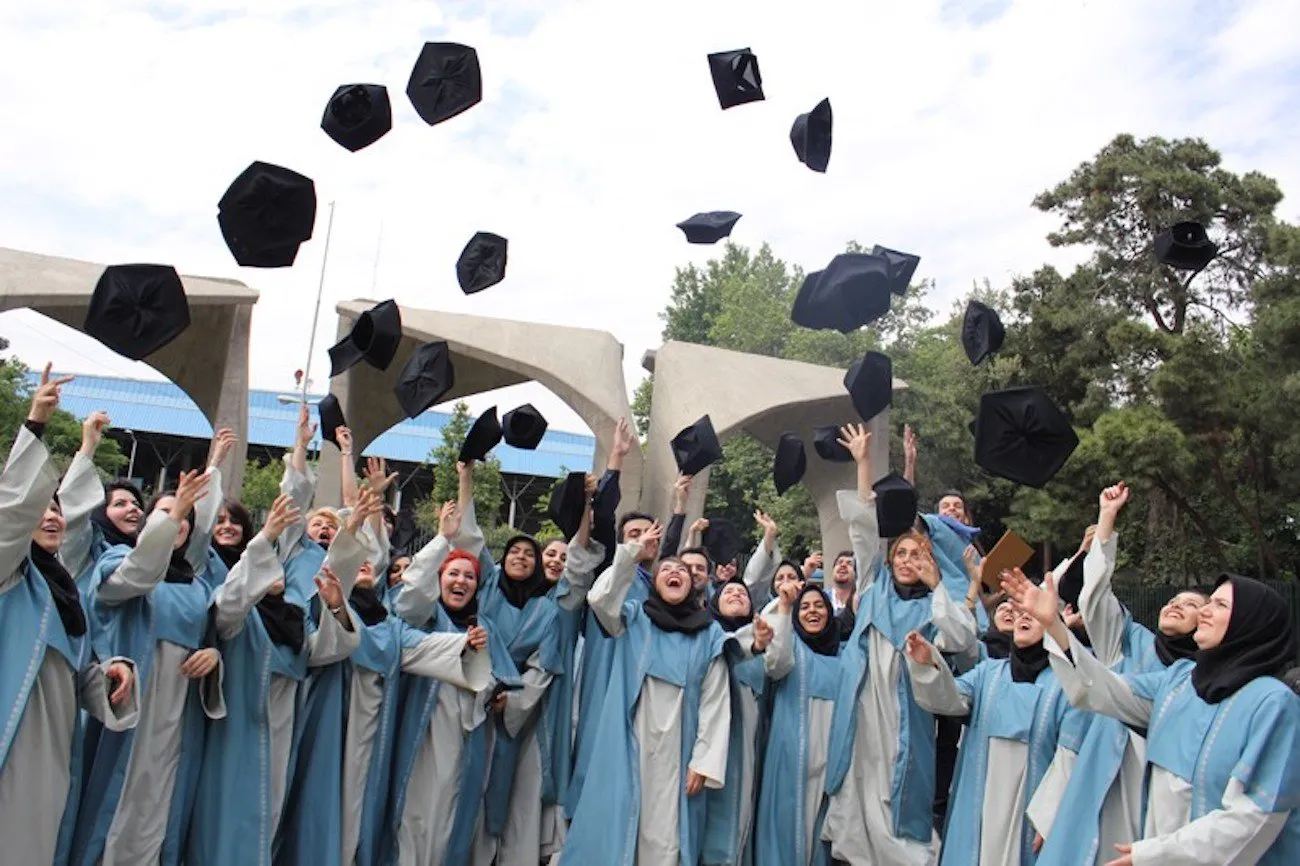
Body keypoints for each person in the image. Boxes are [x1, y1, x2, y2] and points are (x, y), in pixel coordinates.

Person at [1006, 567, 1300, 865]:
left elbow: (1255, 817)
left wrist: (1158, 854)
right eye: (1208, 602)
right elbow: (1104, 690)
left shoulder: (1273, 703)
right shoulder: (1180, 681)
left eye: (1220, 605)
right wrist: (1054, 626)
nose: (1206, 612)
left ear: (1249, 623)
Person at [0, 365, 138, 866]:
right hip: (13, 745)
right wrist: (36, 421)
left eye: (58, 508)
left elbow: (72, 672)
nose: (53, 515)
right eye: (45, 508)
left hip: (54, 751)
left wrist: (108, 675)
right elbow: (12, 511)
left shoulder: (58, 590)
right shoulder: (10, 575)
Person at [821, 423, 978, 865]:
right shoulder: (872, 588)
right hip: (861, 712)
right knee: (855, 787)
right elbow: (863, 531)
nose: (908, 560)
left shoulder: (935, 605)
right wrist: (863, 464)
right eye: (902, 554)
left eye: (919, 554)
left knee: (895, 791)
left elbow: (962, 638)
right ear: (890, 561)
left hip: (903, 718)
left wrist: (939, 583)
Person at [1030, 483, 1210, 866]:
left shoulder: (1205, 679)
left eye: (1192, 604)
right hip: (1103, 781)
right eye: (1174, 600)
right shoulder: (1128, 644)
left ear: (1207, 620)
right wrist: (1107, 518)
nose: (1177, 605)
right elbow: (1095, 600)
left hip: (1162, 796)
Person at [187, 489, 368, 866]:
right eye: (262, 567)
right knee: (225, 817)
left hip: (281, 734)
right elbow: (231, 600)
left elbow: (332, 648)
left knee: (269, 815)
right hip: (234, 734)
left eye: (276, 567)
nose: (270, 573)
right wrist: (266, 537)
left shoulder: (295, 626)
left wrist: (335, 604)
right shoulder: (239, 617)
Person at [72, 466, 225, 866]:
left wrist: (213, 657)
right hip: (130, 707)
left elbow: (211, 639)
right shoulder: (119, 562)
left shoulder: (198, 586)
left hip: (175, 715)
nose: (176, 520)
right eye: (164, 513)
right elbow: (137, 575)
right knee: (116, 800)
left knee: (160, 800)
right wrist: (177, 512)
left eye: (184, 517)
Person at [563, 525, 733, 864]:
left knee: (665, 829)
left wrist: (703, 761)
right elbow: (599, 600)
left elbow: (716, 699)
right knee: (618, 820)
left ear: (692, 585)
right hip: (630, 737)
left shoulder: (708, 632)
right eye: (665, 570)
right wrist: (630, 553)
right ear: (653, 583)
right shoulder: (635, 617)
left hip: (678, 747)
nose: (674, 573)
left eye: (681, 572)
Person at [904, 574, 1074, 866]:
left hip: (1030, 804)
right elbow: (947, 699)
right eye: (1018, 612)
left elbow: (1070, 754)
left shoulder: (1067, 683)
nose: (1022, 616)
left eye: (1032, 613)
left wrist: (1050, 814)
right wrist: (929, 663)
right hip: (981, 797)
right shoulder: (989, 674)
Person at [389, 502, 519, 866]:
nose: (460, 581)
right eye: (453, 574)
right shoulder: (426, 616)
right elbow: (411, 595)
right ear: (439, 578)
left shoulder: (484, 628)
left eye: (469, 576)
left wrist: (496, 696)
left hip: (466, 737)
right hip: (423, 732)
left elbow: (496, 681)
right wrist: (443, 538)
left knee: (451, 815)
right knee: (414, 812)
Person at [450, 460, 563, 866]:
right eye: (513, 551)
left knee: (499, 786)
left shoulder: (546, 612)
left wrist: (511, 702)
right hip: (468, 691)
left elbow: (542, 666)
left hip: (509, 708)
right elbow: (469, 535)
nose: (520, 557)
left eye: (527, 554)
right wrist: (466, 479)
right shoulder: (488, 585)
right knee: (460, 781)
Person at [757, 581, 842, 866]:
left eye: (819, 605)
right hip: (789, 759)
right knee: (785, 833)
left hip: (831, 765)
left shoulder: (845, 655)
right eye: (804, 607)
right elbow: (776, 663)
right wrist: (784, 606)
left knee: (821, 840)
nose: (812, 611)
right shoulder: (791, 647)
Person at [702, 575, 772, 866]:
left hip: (748, 746)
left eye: (742, 592)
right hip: (707, 748)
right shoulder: (705, 633)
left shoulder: (766, 642)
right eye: (728, 591)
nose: (735, 594)